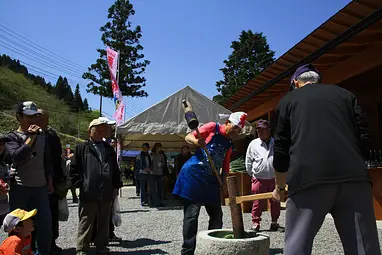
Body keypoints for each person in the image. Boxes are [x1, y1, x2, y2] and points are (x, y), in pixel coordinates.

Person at [272, 63, 381, 255]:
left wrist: (280, 188)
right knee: (364, 247)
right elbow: (364, 136)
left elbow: (281, 149)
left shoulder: (288, 101)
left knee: (298, 244)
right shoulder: (346, 95)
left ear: (296, 83)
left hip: (308, 178)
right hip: (354, 177)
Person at [173, 112, 247, 255]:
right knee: (192, 216)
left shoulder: (229, 145)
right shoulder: (213, 127)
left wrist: (224, 183)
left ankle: (210, 246)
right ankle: (187, 251)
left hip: (212, 180)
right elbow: (188, 136)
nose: (237, 131)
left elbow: (225, 166)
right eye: (236, 127)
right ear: (228, 123)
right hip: (193, 176)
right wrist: (196, 142)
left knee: (217, 217)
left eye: (239, 129)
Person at [4, 101, 53, 255]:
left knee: (45, 225)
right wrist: (30, 138)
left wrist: (50, 181)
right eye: (28, 116)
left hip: (40, 187)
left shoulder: (43, 136)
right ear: (19, 117)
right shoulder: (11, 137)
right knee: (19, 227)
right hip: (20, 187)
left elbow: (47, 160)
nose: (33, 120)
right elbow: (16, 157)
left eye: (35, 116)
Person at [70, 118, 122, 255]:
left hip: (106, 190)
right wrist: (81, 184)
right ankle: (82, 248)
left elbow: (115, 169)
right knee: (86, 221)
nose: (100, 132)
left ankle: (102, 247)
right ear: (90, 131)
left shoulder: (108, 149)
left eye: (103, 129)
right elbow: (74, 169)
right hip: (89, 191)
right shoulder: (82, 147)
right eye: (97, 129)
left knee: (104, 222)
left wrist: (116, 186)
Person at [36, 109, 66, 254]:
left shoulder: (52, 135)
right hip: (35, 179)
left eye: (43, 118)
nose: (40, 120)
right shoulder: (31, 134)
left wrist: (58, 180)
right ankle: (35, 245)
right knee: (36, 214)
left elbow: (57, 157)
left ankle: (52, 241)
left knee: (52, 213)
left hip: (52, 179)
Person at [245, 120, 283, 232]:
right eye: (258, 130)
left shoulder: (275, 143)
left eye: (263, 130)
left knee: (275, 201)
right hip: (258, 178)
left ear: (269, 130)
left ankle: (274, 222)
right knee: (257, 202)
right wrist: (252, 173)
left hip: (273, 178)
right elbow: (248, 160)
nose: (260, 132)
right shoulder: (253, 144)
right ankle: (256, 223)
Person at [150, 143, 168, 207]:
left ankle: (160, 201)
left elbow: (164, 163)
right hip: (153, 173)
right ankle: (154, 201)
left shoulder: (162, 155)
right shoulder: (151, 154)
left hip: (160, 173)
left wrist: (161, 164)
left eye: (160, 147)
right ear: (155, 148)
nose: (159, 149)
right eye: (158, 147)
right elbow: (150, 163)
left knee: (160, 188)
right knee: (154, 188)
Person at [0, 135, 10, 224]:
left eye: (2, 144)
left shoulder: (3, 164)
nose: (1, 147)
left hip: (2, 206)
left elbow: (7, 179)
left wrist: (6, 186)